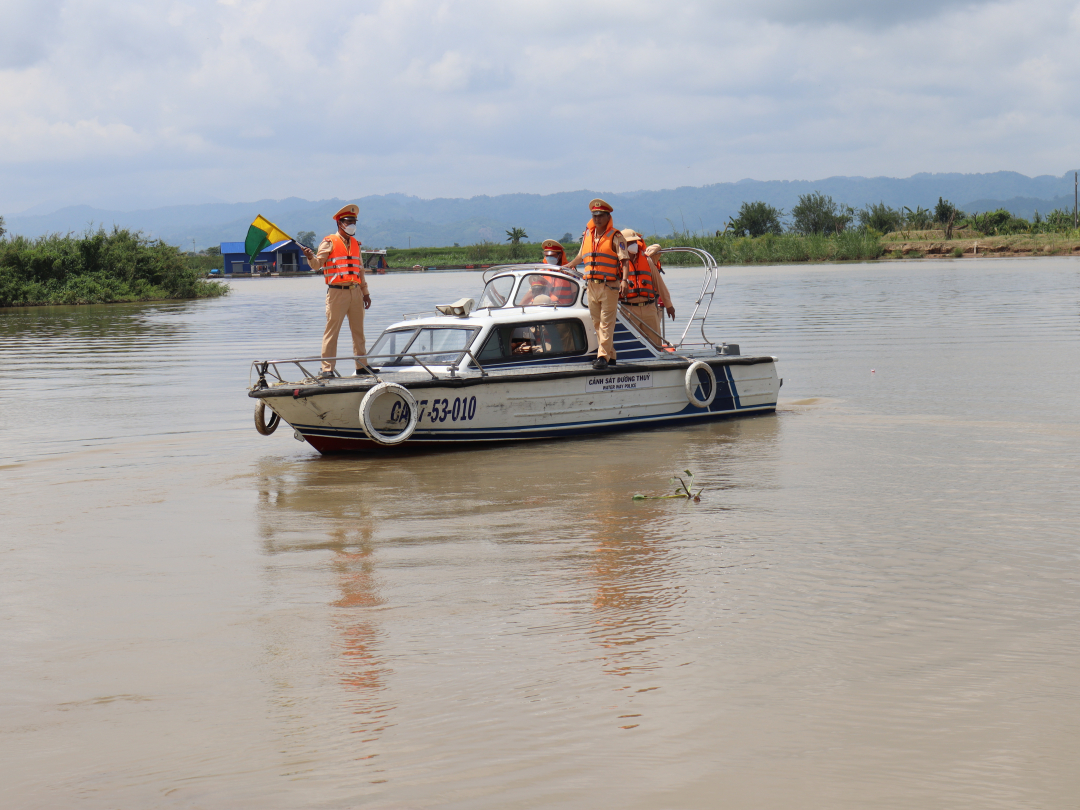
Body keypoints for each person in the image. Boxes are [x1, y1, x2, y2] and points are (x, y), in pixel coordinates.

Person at [300, 204, 371, 378]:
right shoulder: (329, 242)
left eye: (354, 221)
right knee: (332, 331)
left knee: (359, 331)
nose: (352, 224)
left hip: (355, 292)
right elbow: (317, 265)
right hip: (336, 292)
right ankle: (327, 369)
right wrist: (310, 256)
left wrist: (366, 292)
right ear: (340, 223)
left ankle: (361, 366)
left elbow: (359, 270)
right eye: (349, 221)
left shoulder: (355, 243)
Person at [564, 199, 630, 369]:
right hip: (591, 286)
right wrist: (569, 265)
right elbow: (580, 257)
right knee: (596, 323)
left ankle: (602, 357)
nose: (598, 219)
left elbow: (624, 260)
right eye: (595, 215)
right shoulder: (587, 235)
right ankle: (611, 355)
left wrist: (624, 280)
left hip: (609, 285)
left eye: (601, 216)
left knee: (607, 322)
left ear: (608, 217)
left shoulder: (616, 236)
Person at [619, 230, 676, 346]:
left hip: (649, 308)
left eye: (635, 242)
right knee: (630, 344)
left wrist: (669, 305)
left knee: (656, 343)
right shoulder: (617, 264)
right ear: (622, 245)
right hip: (628, 309)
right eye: (630, 242)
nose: (633, 245)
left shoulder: (647, 260)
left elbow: (660, 285)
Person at [539, 239, 577, 305]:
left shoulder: (569, 272)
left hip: (564, 308)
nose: (549, 258)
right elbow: (532, 292)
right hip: (546, 308)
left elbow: (575, 293)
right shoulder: (542, 272)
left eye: (552, 256)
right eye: (547, 256)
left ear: (559, 256)